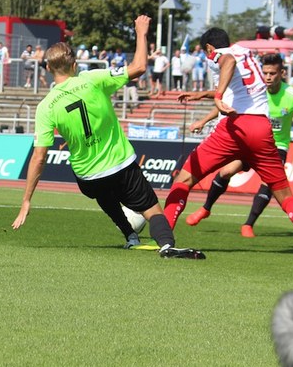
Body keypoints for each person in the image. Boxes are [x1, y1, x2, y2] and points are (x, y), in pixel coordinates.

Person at [11, 14, 204, 260]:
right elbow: (139, 67)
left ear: (48, 69)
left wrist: (26, 200)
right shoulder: (92, 79)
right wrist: (141, 32)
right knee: (152, 210)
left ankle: (130, 235)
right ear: (74, 66)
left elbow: (39, 157)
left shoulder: (45, 107)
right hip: (120, 164)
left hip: (88, 175)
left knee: (103, 194)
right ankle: (166, 245)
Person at [162, 27, 293, 260]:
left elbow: (227, 62)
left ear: (209, 47)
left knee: (184, 180)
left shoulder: (220, 55)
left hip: (234, 127)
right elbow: (239, 84)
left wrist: (216, 96)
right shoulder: (245, 51)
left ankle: (163, 240)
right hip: (261, 129)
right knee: (285, 196)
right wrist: (204, 95)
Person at [183, 52, 293, 238]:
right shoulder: (255, 89)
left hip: (276, 146)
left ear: (282, 73)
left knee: (268, 183)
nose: (268, 77)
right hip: (249, 141)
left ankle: (248, 224)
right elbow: (225, 103)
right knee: (226, 172)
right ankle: (206, 208)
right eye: (265, 73)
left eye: (272, 73)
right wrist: (203, 120)